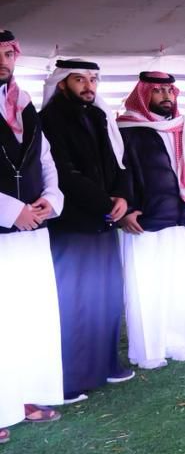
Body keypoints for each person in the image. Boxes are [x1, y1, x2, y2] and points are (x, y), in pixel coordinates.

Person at [39, 59, 134, 400]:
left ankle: (105, 365)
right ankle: (71, 378)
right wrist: (105, 202)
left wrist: (122, 196)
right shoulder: (49, 119)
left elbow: (117, 163)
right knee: (74, 301)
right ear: (62, 83)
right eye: (80, 79)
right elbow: (62, 173)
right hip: (73, 224)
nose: (88, 86)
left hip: (103, 220)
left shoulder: (97, 116)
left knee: (106, 296)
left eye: (92, 79)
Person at [0, 30, 67, 438]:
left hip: (31, 232)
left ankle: (19, 397)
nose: (2, 61)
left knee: (25, 320)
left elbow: (46, 161)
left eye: (8, 54)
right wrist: (12, 211)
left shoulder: (24, 104)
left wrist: (50, 200)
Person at [117, 71, 185, 369]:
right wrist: (126, 210)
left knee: (180, 286)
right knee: (146, 289)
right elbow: (119, 171)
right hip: (144, 223)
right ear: (144, 95)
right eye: (158, 91)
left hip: (181, 219)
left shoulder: (184, 128)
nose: (166, 96)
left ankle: (181, 343)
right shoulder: (126, 129)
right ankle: (149, 351)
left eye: (170, 91)